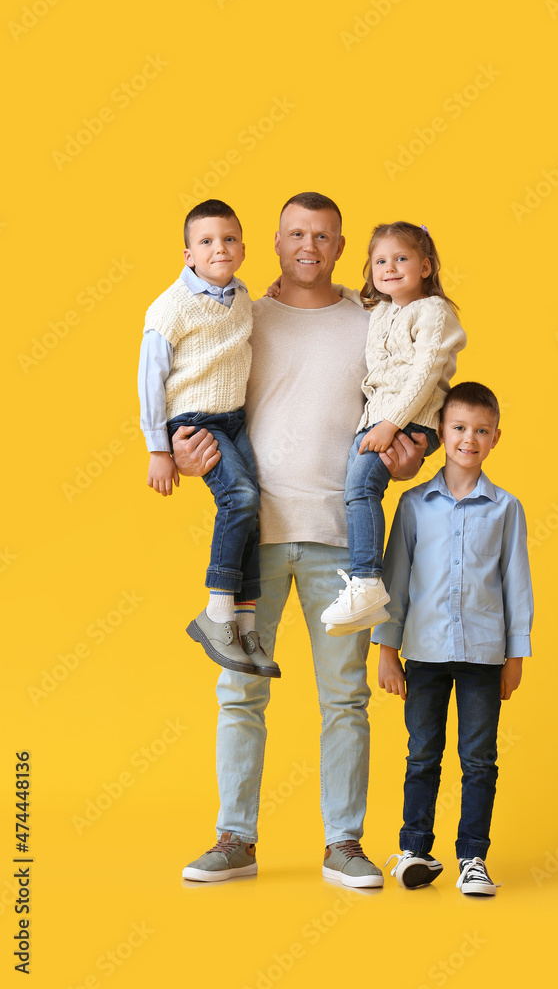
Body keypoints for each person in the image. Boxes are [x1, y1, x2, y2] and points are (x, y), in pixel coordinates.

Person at [172, 193, 427, 887]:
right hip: (254, 539)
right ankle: (235, 838)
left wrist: (412, 453)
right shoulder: (242, 317)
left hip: (344, 543)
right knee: (239, 691)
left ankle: (344, 843)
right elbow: (202, 400)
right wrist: (185, 451)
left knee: (344, 699)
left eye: (321, 235)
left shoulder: (373, 321)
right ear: (275, 242)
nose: (307, 245)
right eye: (294, 234)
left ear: (341, 246)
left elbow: (411, 399)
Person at [374, 382, 533, 895]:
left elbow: (516, 583)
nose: (470, 439)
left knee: (479, 759)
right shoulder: (415, 504)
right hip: (423, 652)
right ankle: (415, 849)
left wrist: (515, 656)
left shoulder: (506, 508)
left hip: (485, 655)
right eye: (460, 428)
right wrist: (386, 651)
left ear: (496, 438)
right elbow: (394, 579)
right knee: (422, 753)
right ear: (441, 431)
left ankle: (473, 858)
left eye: (481, 431)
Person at [138, 199, 279, 678]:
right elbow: (149, 380)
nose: (219, 248)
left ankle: (245, 624)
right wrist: (159, 448)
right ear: (188, 256)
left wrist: (276, 292)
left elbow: (247, 323)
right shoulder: (170, 307)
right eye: (206, 241)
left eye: (229, 239)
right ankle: (215, 613)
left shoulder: (241, 294)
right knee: (237, 498)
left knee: (253, 508)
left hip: (233, 419)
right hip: (194, 420)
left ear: (242, 248)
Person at [320, 222, 467, 633]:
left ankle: (368, 582)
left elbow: (425, 374)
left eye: (401, 259)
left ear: (425, 266)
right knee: (355, 490)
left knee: (363, 487)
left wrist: (392, 424)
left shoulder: (433, 311)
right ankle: (364, 586)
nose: (390, 268)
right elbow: (353, 298)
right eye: (380, 261)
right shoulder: (382, 309)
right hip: (376, 420)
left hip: (410, 419)